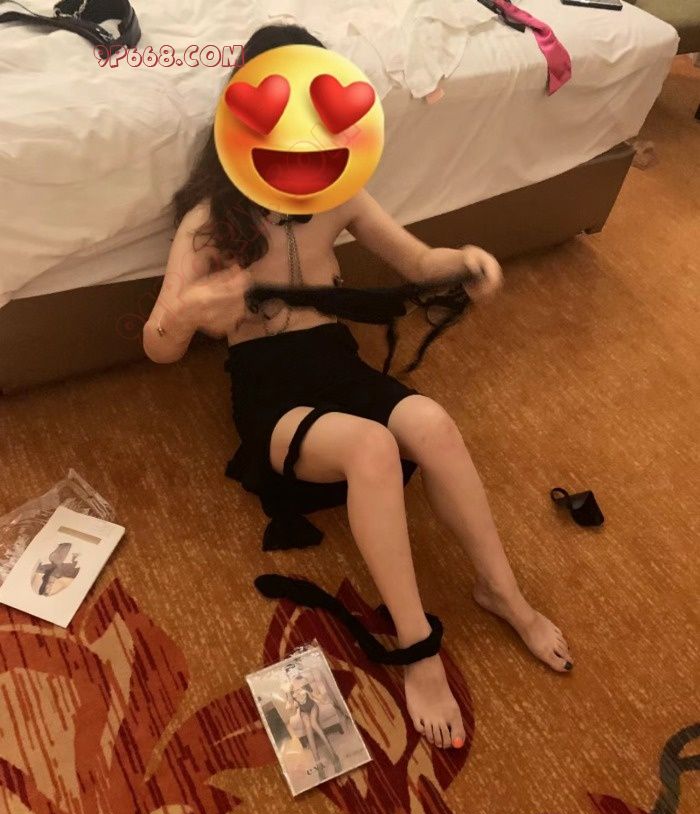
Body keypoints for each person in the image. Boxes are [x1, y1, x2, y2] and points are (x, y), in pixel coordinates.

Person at [143, 24, 574, 752]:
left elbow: (418, 261)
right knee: (372, 447)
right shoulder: (208, 223)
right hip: (270, 392)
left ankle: (500, 589)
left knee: (433, 423)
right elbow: (158, 346)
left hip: (336, 364)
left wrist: (466, 261)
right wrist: (186, 311)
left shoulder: (338, 194)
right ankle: (415, 643)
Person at [286, 676, 342, 779]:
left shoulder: (305, 686)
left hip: (313, 707)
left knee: (314, 724)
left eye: (298, 684)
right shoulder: (291, 692)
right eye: (295, 685)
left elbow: (316, 698)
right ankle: (318, 765)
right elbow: (293, 711)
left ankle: (334, 756)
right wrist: (290, 696)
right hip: (303, 712)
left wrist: (322, 700)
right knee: (308, 728)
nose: (297, 686)